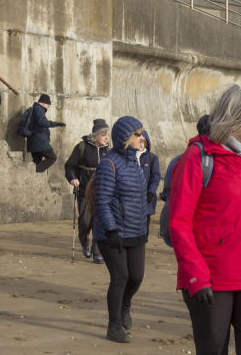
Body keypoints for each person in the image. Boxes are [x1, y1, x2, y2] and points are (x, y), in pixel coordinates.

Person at [169, 84, 241, 355]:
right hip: (211, 278)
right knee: (213, 350)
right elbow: (179, 223)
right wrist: (195, 276)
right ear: (236, 118)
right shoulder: (198, 157)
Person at [93, 116, 149, 343]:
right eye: (137, 134)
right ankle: (113, 325)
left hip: (136, 231)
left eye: (141, 134)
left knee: (136, 277)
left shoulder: (136, 162)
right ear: (125, 138)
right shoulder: (108, 163)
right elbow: (102, 201)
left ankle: (126, 304)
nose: (141, 138)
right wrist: (112, 230)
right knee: (120, 277)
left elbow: (139, 199)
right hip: (111, 233)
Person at [63, 119, 110, 264]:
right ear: (95, 135)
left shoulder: (108, 151)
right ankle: (84, 243)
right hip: (84, 191)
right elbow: (69, 166)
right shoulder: (82, 147)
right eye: (103, 134)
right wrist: (73, 178)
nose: (106, 137)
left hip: (102, 193)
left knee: (99, 223)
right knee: (84, 221)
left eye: (107, 134)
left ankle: (97, 252)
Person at [26, 94, 66, 173]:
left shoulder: (33, 109)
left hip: (32, 141)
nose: (48, 107)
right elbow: (42, 122)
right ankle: (32, 172)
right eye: (48, 105)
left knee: (37, 162)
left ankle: (35, 177)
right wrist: (56, 124)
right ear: (44, 103)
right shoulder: (39, 110)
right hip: (39, 141)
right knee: (52, 157)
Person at [140, 130, 161, 235]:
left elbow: (155, 177)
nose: (140, 144)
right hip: (131, 200)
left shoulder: (152, 158)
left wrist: (151, 193)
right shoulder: (130, 157)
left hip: (147, 199)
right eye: (139, 141)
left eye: (142, 142)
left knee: (144, 228)